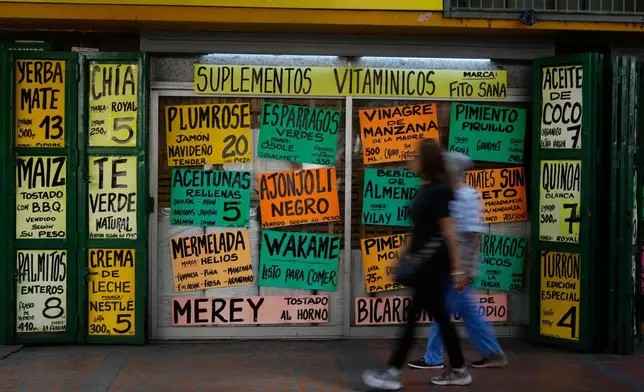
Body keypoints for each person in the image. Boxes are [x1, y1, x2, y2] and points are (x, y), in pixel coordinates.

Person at [362, 140, 472, 390]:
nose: (411, 160)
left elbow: (450, 232)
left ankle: (392, 370)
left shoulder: (440, 191)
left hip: (432, 267)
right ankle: (458, 368)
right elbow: (419, 230)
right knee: (440, 319)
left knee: (413, 321)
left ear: (426, 160)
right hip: (424, 266)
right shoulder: (425, 188)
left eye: (415, 156)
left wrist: (457, 268)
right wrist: (401, 256)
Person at [407, 151, 507, 372]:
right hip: (450, 263)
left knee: (446, 309)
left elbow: (473, 235)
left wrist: (463, 268)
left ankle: (436, 357)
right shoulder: (445, 192)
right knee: (459, 310)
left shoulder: (468, 195)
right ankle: (491, 353)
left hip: (458, 265)